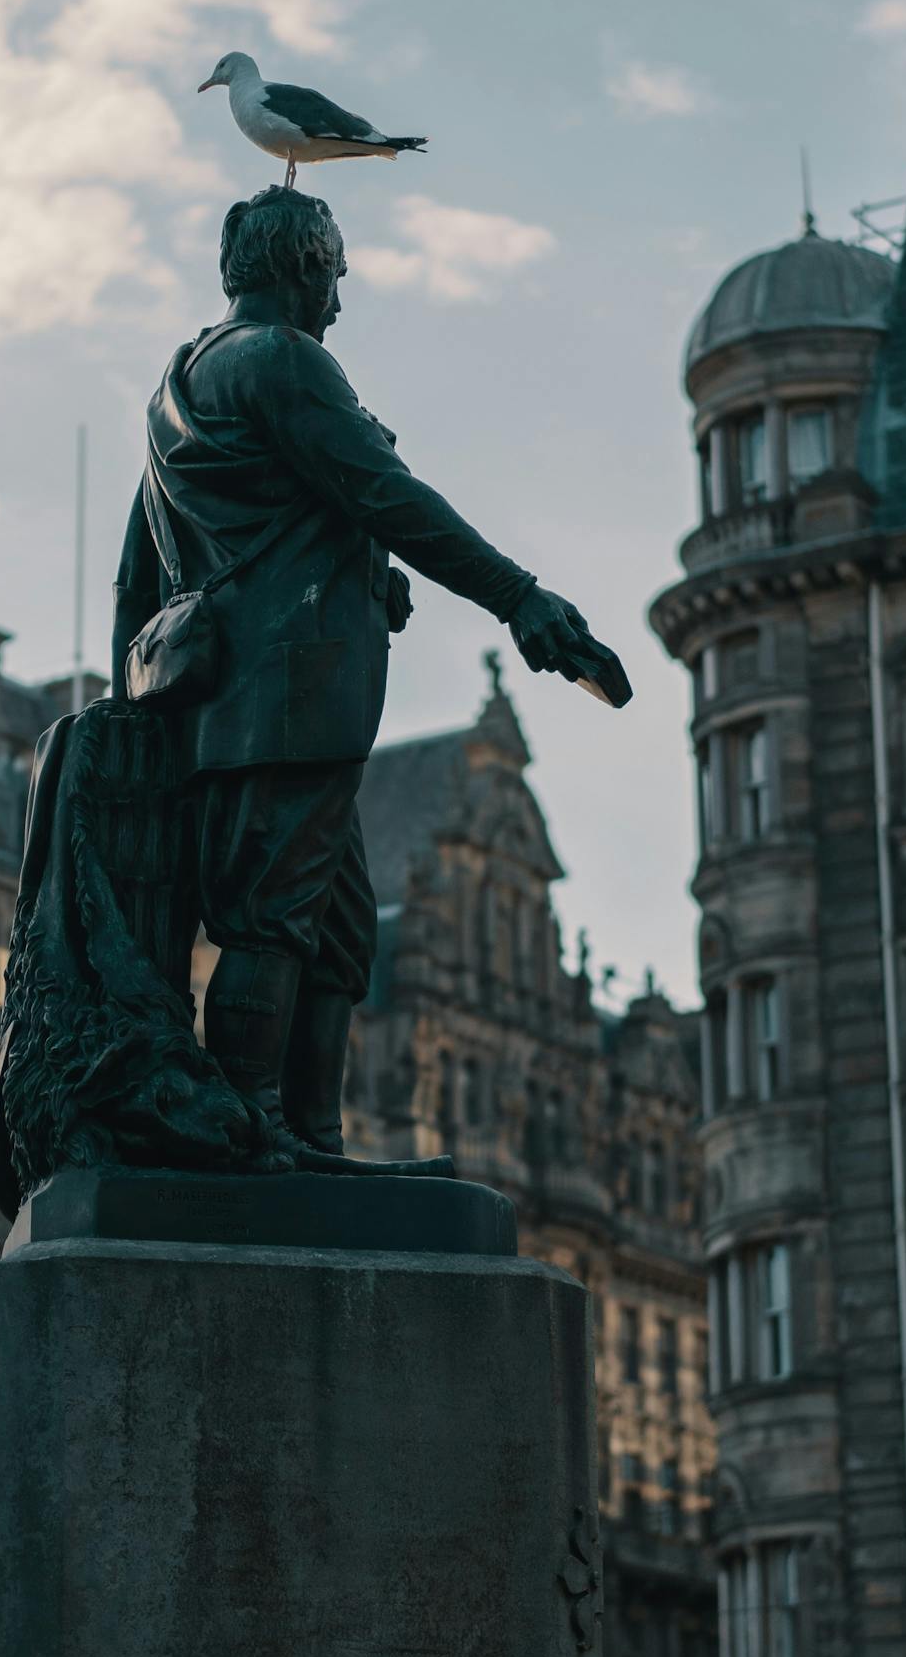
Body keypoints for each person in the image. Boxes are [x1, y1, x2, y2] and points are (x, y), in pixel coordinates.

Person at [110, 185, 592, 1163]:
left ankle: (309, 1134)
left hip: (239, 697)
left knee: (335, 939)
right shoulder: (284, 361)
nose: (338, 297)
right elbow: (387, 496)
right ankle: (248, 1131)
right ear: (299, 268)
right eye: (333, 272)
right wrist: (518, 596)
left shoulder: (178, 384)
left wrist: (134, 708)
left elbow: (144, 568)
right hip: (283, 694)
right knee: (271, 924)